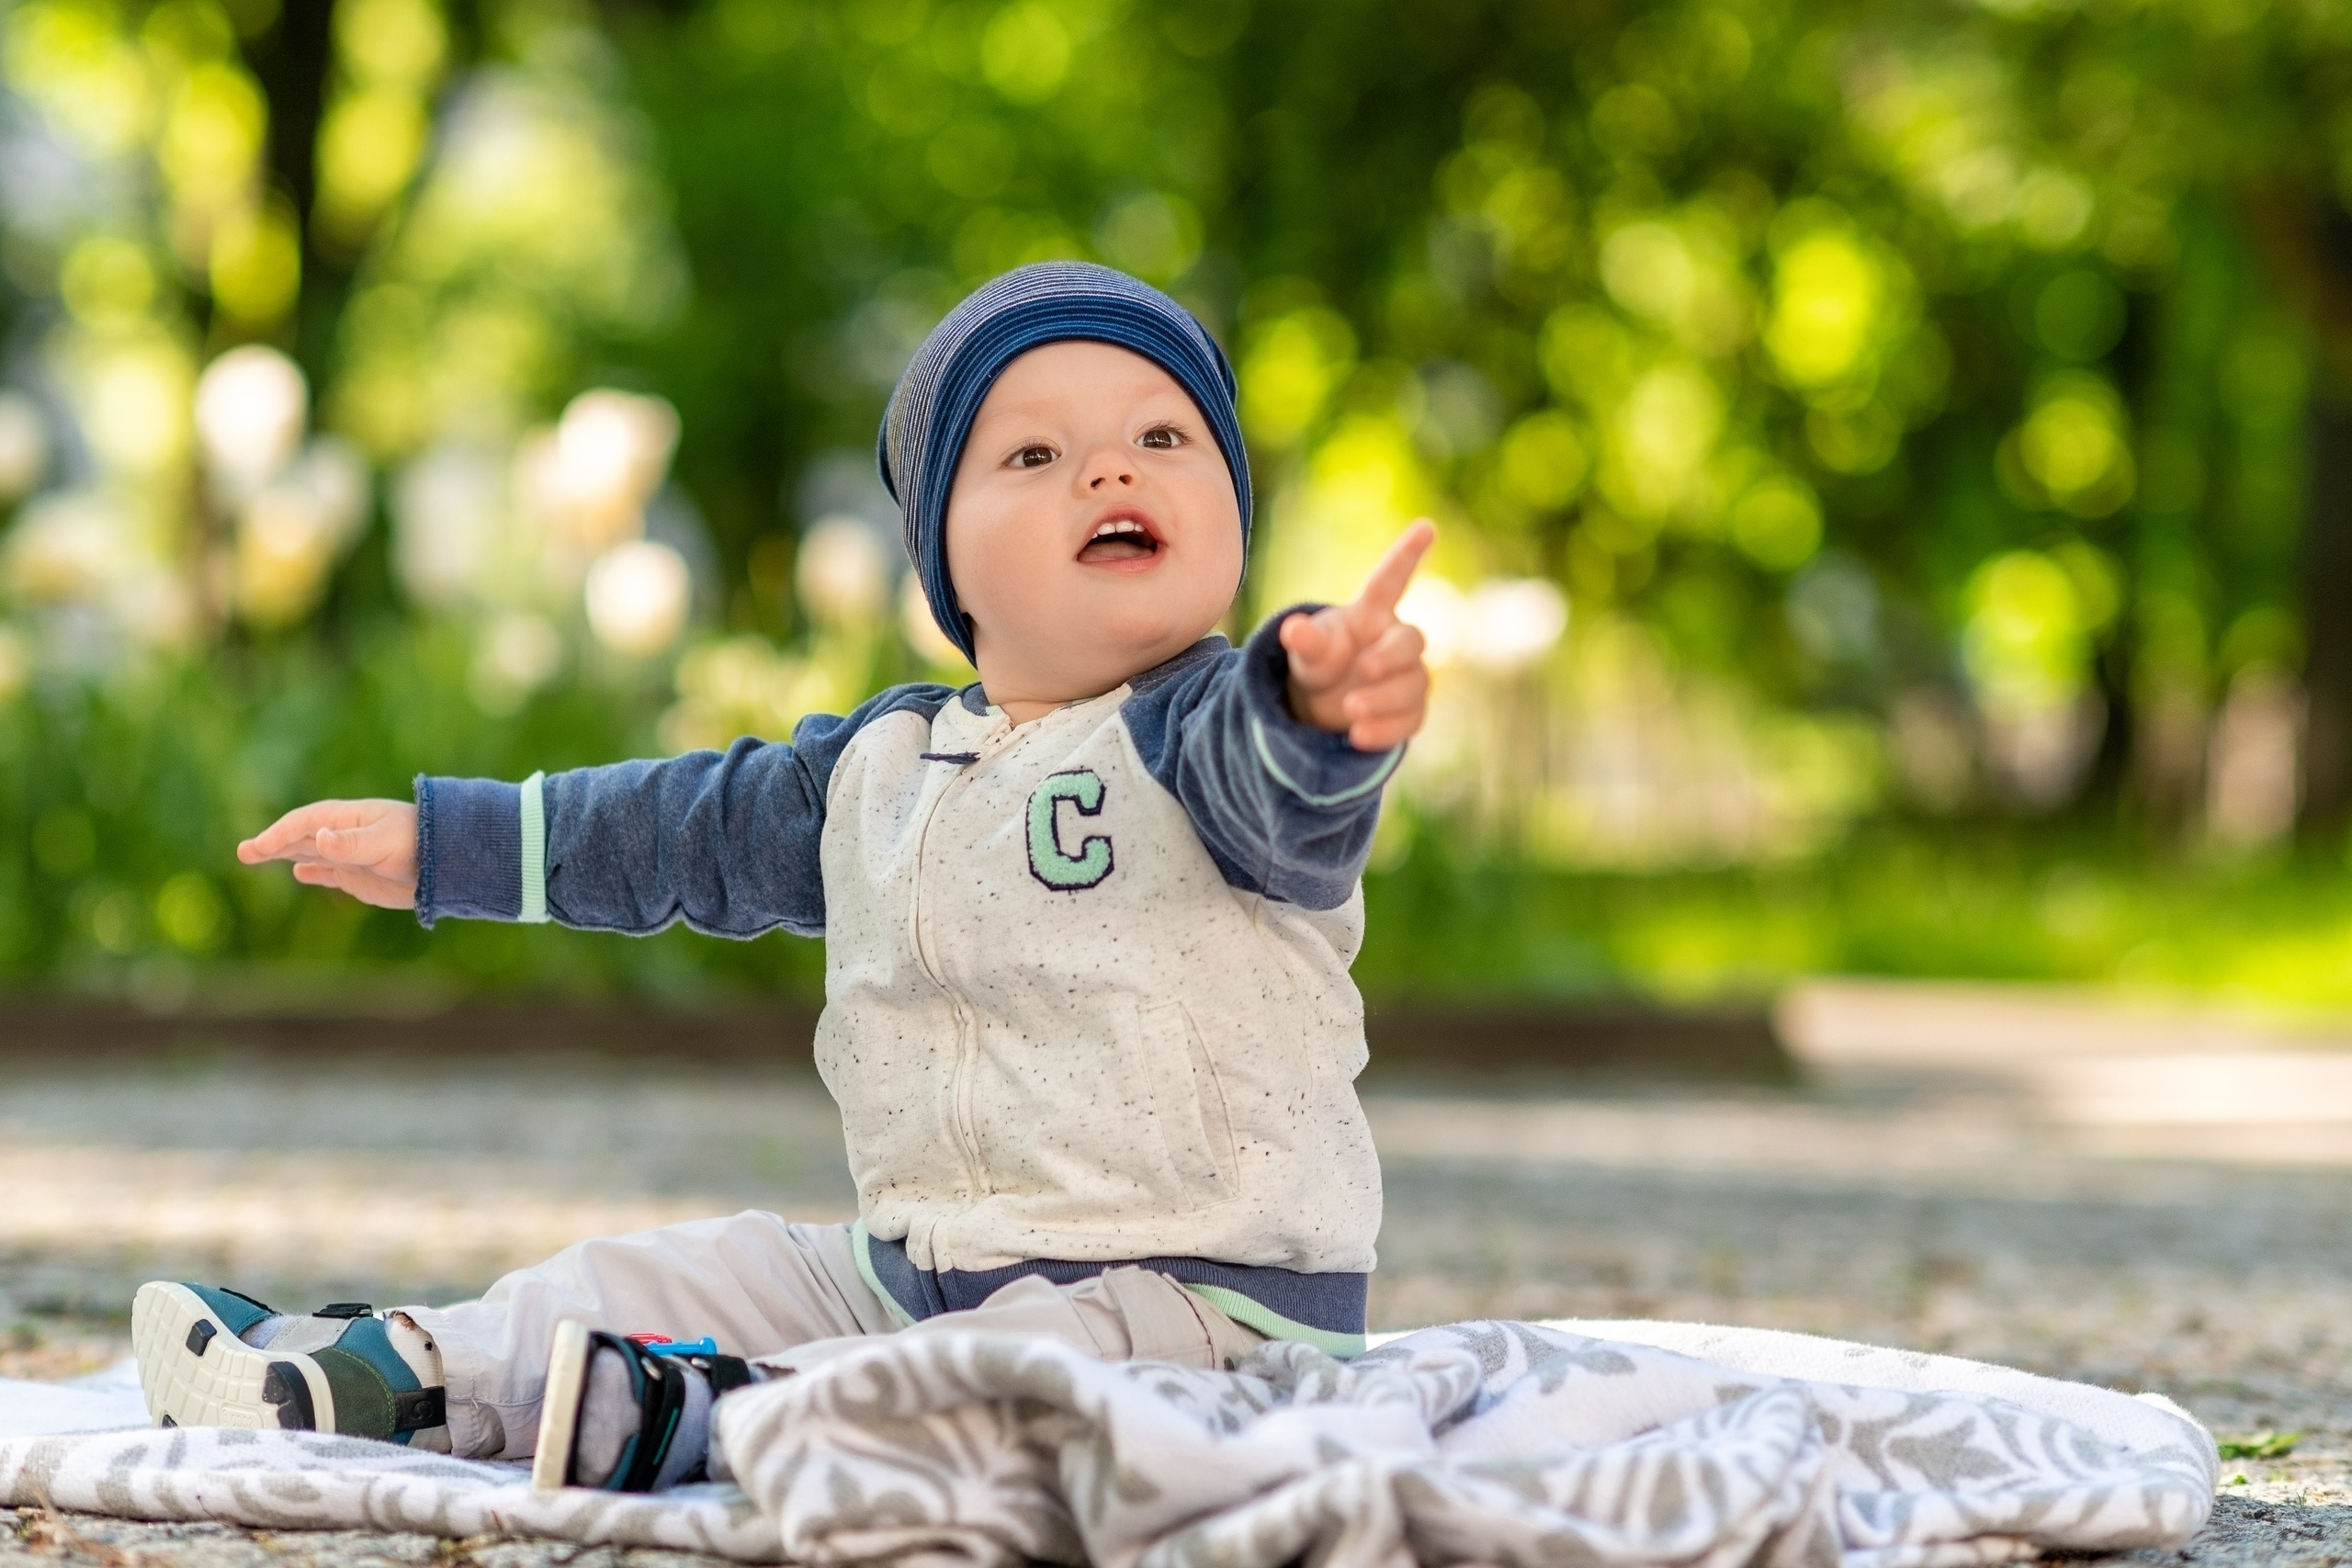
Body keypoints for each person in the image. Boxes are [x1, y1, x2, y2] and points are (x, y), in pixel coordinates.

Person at [131, 262, 1435, 1492]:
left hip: (1202, 1310)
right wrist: (441, 843)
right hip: (913, 1270)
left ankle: (719, 1415)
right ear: (947, 568)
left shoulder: (1204, 732)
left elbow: (1288, 787)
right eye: (1032, 454)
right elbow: (670, 833)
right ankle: (388, 1377)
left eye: (1163, 439)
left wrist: (1317, 708)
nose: (1108, 467)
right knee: (669, 1272)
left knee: (998, 1384)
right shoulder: (883, 764)